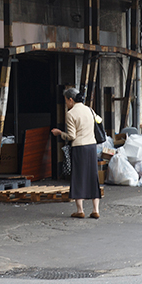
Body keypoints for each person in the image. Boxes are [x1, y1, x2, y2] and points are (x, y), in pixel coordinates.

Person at [51, 88, 101, 219]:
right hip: (92, 147)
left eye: (66, 101)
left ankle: (80, 210)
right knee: (92, 177)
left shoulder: (71, 113)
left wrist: (60, 133)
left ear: (70, 100)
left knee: (78, 177)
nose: (66, 104)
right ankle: (96, 210)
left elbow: (72, 136)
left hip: (79, 148)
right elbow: (98, 121)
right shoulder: (89, 110)